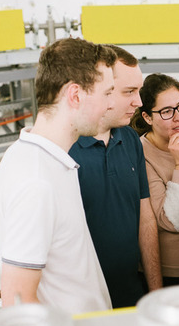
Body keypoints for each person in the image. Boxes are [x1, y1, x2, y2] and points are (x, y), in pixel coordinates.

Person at [0, 38, 116, 315]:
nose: (111, 105)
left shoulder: (43, 159)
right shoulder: (37, 181)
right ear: (75, 95)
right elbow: (18, 302)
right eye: (107, 93)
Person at [69, 45, 162, 308]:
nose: (139, 102)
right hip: (86, 303)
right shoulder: (67, 149)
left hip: (131, 292)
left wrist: (155, 293)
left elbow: (145, 215)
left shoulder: (130, 138)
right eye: (129, 92)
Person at [131, 74, 179, 286]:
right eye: (166, 112)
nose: (178, 117)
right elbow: (172, 221)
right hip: (165, 272)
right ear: (147, 118)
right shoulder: (141, 155)